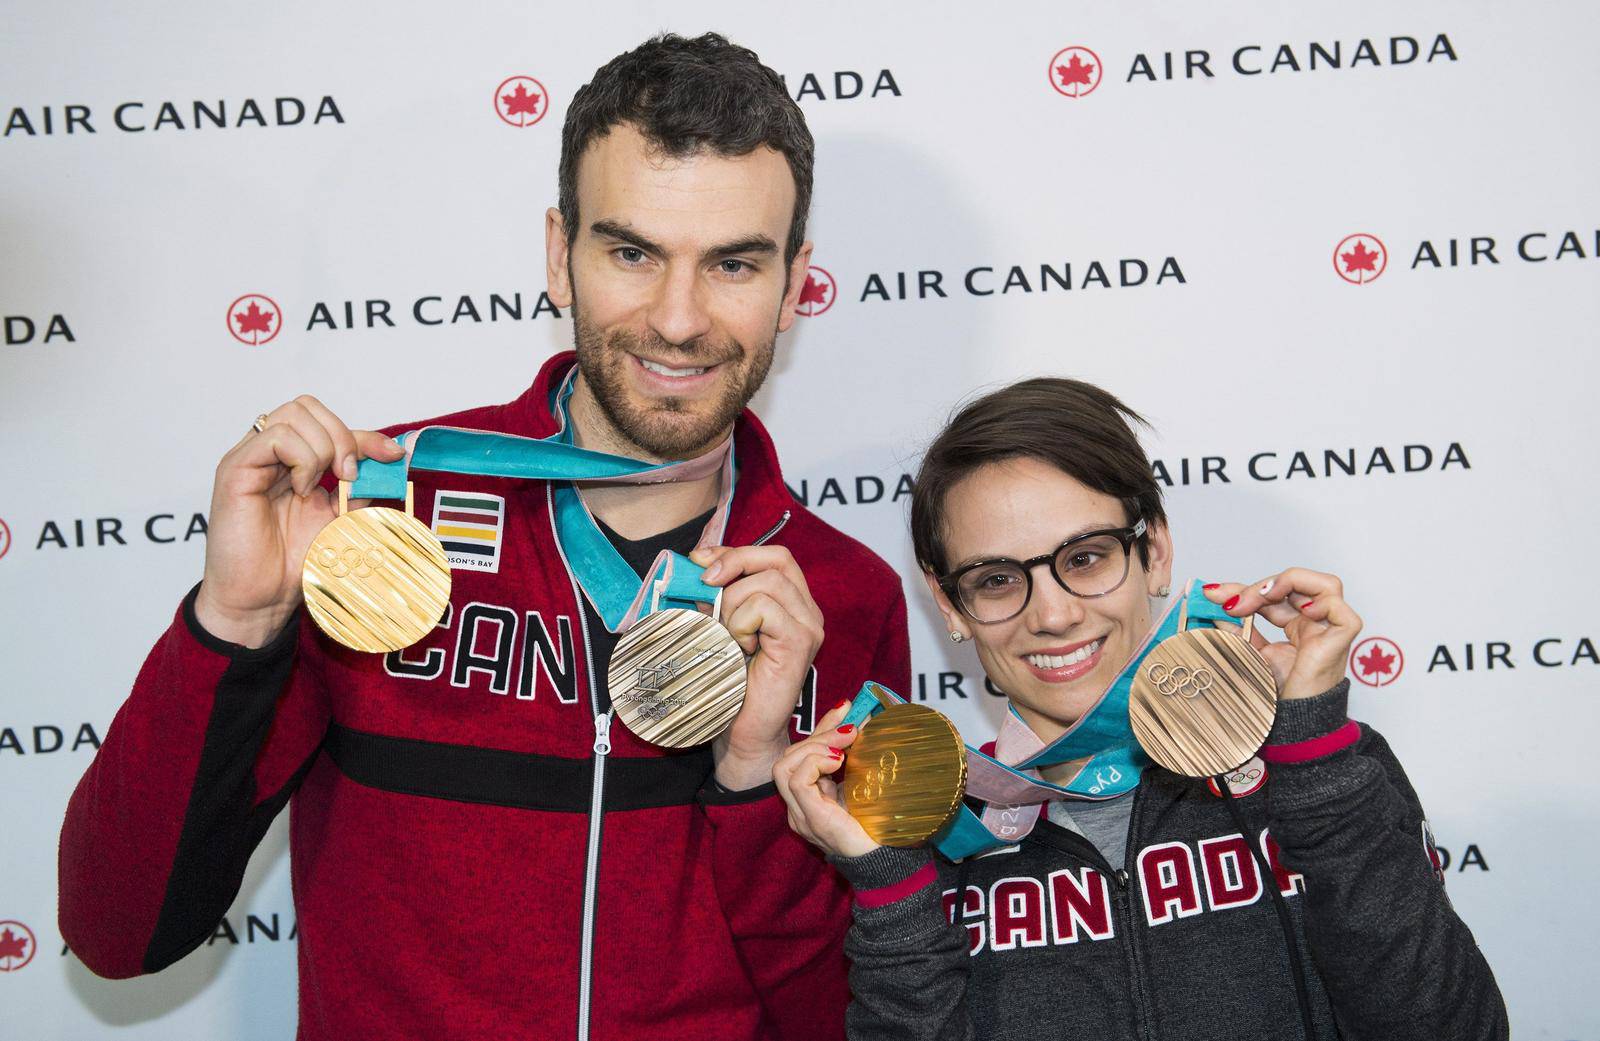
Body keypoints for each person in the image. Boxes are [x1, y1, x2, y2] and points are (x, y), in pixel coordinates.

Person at [58, 33, 909, 1041]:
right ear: (560, 254)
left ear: (793, 280)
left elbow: (845, 1016)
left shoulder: (840, 598)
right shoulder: (379, 518)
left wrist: (752, 779)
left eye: (733, 263)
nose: (679, 320)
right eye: (631, 252)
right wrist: (235, 622)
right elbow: (119, 932)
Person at [773, 378, 1508, 1040]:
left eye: (1087, 556)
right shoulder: (925, 831)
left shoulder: (1309, 772)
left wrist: (1312, 757)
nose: (1054, 615)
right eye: (997, 579)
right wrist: (893, 887)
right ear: (949, 603)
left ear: (1154, 550)